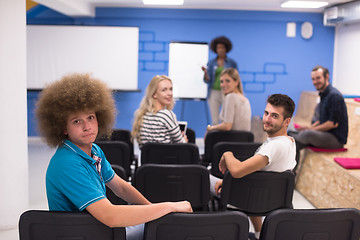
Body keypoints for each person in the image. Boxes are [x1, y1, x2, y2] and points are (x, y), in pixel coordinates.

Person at [36, 73, 192, 240]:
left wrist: (154, 211)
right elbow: (110, 216)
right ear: (63, 128)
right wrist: (168, 207)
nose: (87, 126)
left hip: (95, 229)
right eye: (76, 121)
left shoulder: (94, 150)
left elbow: (121, 188)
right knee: (166, 232)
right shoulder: (67, 163)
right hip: (83, 234)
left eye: (90, 117)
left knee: (162, 226)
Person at [211, 94, 297, 240]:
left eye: (274, 116)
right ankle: (259, 234)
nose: (267, 119)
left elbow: (237, 171)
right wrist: (227, 182)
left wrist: (227, 154)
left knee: (203, 178)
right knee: (255, 189)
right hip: (263, 197)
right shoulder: (290, 142)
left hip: (241, 197)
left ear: (286, 121)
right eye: (266, 113)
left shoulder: (272, 147)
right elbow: (259, 178)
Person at [289, 66, 348, 150]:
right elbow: (322, 120)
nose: (315, 82)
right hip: (324, 134)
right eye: (313, 79)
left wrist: (311, 130)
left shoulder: (334, 95)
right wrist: (309, 127)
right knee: (299, 138)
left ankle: (292, 135)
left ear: (327, 76)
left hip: (336, 139)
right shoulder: (323, 95)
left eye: (318, 78)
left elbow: (332, 123)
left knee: (307, 134)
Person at [132, 75, 187, 148]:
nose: (170, 93)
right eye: (164, 90)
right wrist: (185, 140)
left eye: (171, 89)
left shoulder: (142, 115)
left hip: (147, 159)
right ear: (154, 94)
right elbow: (182, 146)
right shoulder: (167, 115)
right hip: (167, 158)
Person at [202, 36, 238, 125]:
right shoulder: (211, 63)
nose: (220, 50)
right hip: (213, 92)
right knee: (214, 119)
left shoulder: (231, 63)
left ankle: (225, 138)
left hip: (227, 92)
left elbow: (236, 78)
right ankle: (216, 138)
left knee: (226, 117)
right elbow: (207, 80)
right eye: (218, 48)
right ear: (215, 49)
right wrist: (205, 73)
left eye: (222, 47)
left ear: (226, 49)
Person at [206, 68, 251, 133]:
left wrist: (210, 128)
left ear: (236, 82)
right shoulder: (245, 100)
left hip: (231, 140)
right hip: (243, 141)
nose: (223, 84)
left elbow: (227, 126)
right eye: (221, 82)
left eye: (227, 81)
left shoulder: (231, 97)